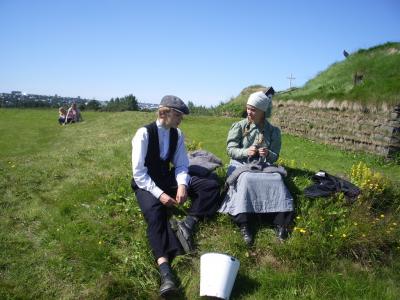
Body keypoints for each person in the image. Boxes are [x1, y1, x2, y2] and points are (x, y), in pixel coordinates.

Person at [131, 95, 221, 297]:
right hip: (145, 183)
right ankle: (166, 274)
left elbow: (181, 164)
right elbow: (139, 173)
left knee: (210, 185)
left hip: (166, 177)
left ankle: (189, 222)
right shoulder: (143, 134)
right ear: (164, 112)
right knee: (155, 215)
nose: (181, 118)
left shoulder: (177, 134)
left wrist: (181, 185)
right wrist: (160, 195)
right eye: (178, 114)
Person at [218, 88, 294, 246]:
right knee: (246, 178)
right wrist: (246, 151)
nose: (249, 112)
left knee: (277, 179)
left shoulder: (273, 131)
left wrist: (267, 153)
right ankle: (245, 223)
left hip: (263, 164)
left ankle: (280, 222)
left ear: (262, 111)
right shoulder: (239, 126)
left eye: (253, 110)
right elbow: (230, 150)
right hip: (241, 163)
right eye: (248, 108)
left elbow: (275, 156)